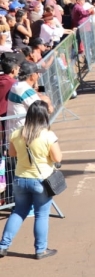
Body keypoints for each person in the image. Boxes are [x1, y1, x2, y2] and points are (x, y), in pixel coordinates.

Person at [0, 101, 62, 260]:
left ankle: (3, 246)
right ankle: (40, 249)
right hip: (41, 180)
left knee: (18, 211)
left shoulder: (17, 133)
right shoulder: (48, 135)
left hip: (20, 179)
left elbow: (12, 154)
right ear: (44, 116)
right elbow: (57, 157)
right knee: (41, 215)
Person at [8, 61, 52, 132]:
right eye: (38, 73)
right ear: (32, 76)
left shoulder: (17, 84)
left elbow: (36, 92)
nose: (39, 76)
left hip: (18, 131)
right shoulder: (24, 89)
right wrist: (48, 102)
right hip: (23, 133)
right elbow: (44, 108)